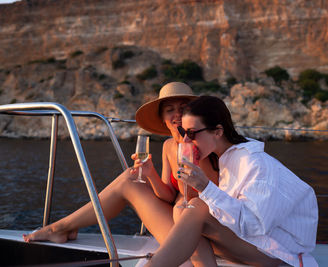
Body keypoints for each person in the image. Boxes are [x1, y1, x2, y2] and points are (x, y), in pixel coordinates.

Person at [22, 82, 219, 264]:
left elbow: (200, 199)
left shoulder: (200, 147)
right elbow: (168, 195)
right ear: (163, 119)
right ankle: (63, 227)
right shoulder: (169, 146)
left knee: (128, 182)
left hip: (197, 233)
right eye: (170, 110)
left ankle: (60, 228)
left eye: (183, 108)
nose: (177, 114)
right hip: (179, 219)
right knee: (129, 178)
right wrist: (150, 174)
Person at [145, 96, 319, 267]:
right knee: (185, 208)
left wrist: (205, 187)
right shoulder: (227, 159)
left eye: (191, 133)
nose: (185, 141)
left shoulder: (254, 163)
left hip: (274, 252)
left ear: (218, 131)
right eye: (184, 133)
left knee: (196, 206)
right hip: (250, 242)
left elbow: (254, 226)